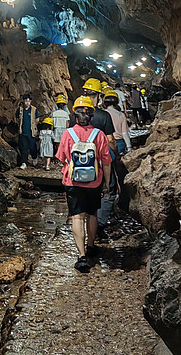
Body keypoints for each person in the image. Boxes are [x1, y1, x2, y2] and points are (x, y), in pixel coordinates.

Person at [56, 96, 112, 273]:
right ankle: (91, 245)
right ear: (91, 115)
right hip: (94, 181)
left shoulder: (68, 134)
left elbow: (62, 158)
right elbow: (106, 161)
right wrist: (107, 182)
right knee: (92, 214)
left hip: (73, 181)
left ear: (75, 115)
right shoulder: (99, 135)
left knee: (77, 217)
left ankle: (81, 256)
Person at [75, 79, 118, 236]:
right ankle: (98, 224)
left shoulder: (77, 116)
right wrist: (116, 156)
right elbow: (111, 140)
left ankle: (83, 222)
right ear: (99, 95)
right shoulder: (103, 116)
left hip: (79, 161)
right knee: (109, 189)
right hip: (100, 160)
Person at [103, 90, 133, 216]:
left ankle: (108, 196)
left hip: (105, 144)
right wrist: (129, 147)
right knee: (120, 173)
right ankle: (122, 200)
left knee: (107, 172)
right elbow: (125, 133)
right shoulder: (120, 115)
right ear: (116, 102)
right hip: (119, 143)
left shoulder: (103, 114)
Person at [15, 93, 40, 169]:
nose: (27, 103)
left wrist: (33, 125)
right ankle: (24, 162)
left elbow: (37, 119)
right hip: (23, 132)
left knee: (33, 147)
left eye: (28, 101)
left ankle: (34, 158)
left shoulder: (34, 109)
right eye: (26, 101)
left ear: (31, 101)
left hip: (31, 132)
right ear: (23, 101)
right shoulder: (20, 109)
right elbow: (16, 118)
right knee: (24, 148)